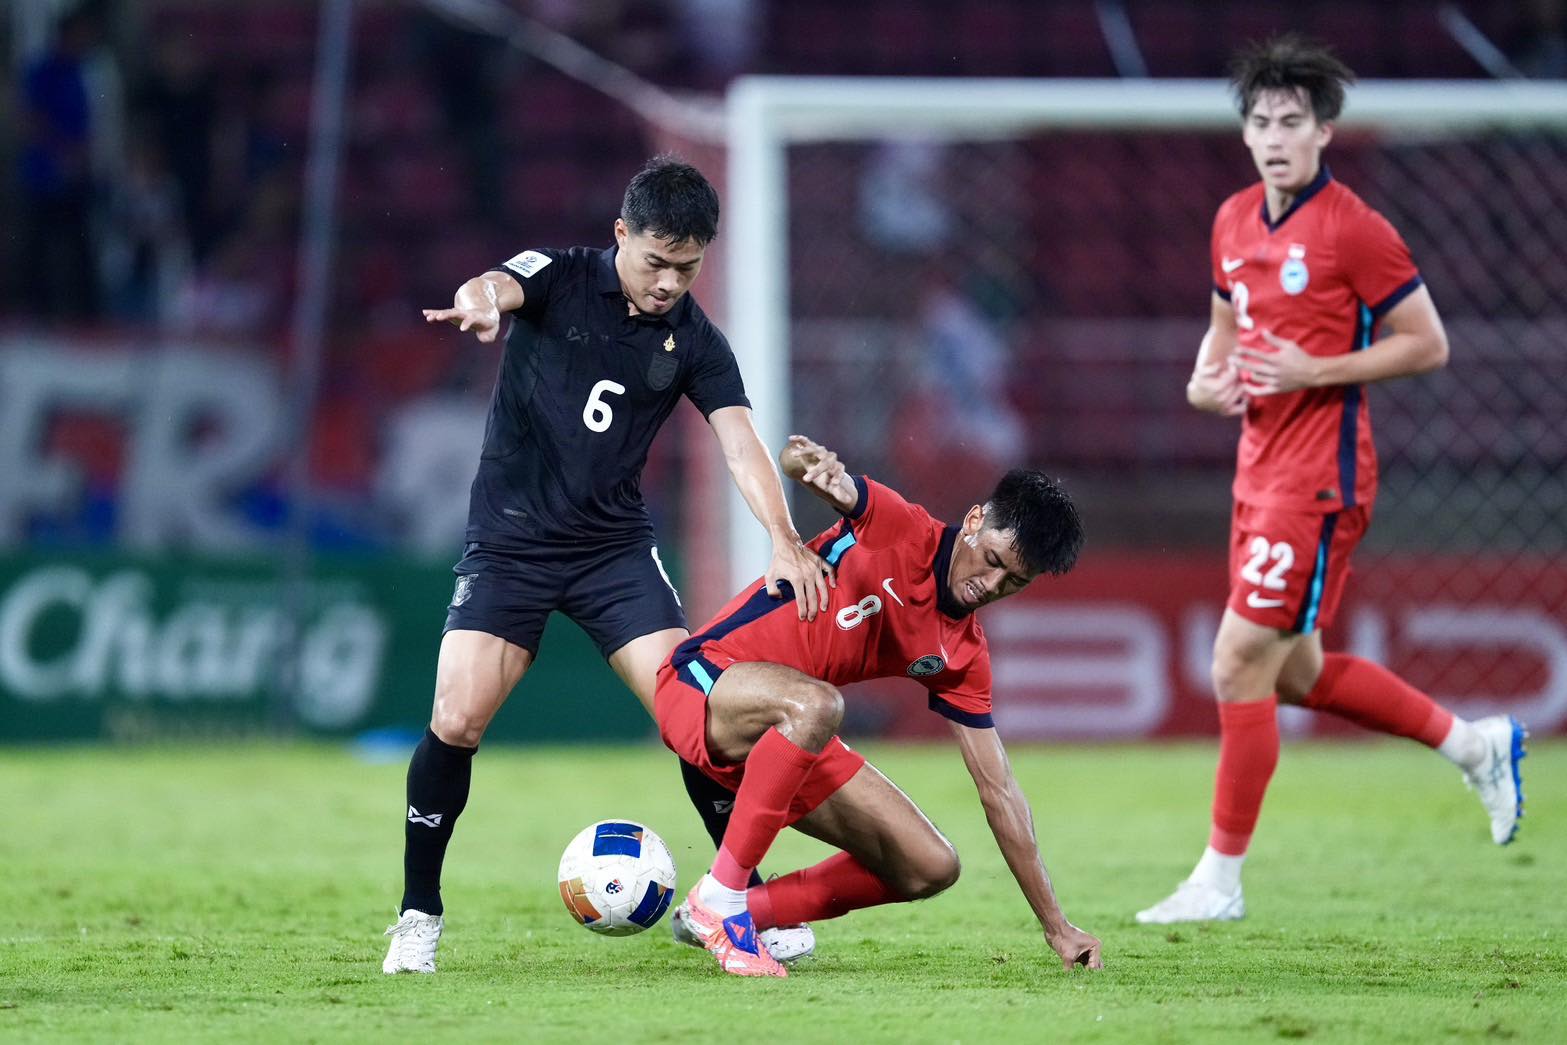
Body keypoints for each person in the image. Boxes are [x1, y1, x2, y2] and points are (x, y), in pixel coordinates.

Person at [383, 156, 832, 973]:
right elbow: (498, 283)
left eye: (686, 267)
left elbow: (738, 441)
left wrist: (783, 536)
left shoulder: (696, 339)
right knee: (455, 720)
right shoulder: (560, 274)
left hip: (612, 552)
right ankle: (419, 914)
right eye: (654, 260)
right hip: (510, 544)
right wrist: (480, 303)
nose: (667, 282)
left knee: (702, 722)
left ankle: (738, 904)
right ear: (620, 234)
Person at [1135, 36, 1527, 926]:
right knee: (1296, 674)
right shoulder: (1231, 219)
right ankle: (1476, 746)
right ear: (1245, 135)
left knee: (1236, 659)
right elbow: (1222, 336)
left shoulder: (1355, 228)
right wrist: (1205, 381)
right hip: (1256, 470)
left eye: (1291, 122)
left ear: (1323, 132)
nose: (1273, 136)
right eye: (1260, 121)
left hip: (1320, 477)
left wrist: (1314, 371)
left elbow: (1427, 344)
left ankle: (1218, 880)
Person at [657, 434, 1103, 977]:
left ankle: (741, 912)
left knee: (930, 864)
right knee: (820, 704)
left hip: (786, 736)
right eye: (992, 560)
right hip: (704, 683)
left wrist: (1057, 926)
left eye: (1014, 581)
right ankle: (721, 898)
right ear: (973, 521)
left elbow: (999, 791)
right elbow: (805, 466)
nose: (990, 584)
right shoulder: (902, 528)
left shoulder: (962, 653)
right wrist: (809, 465)